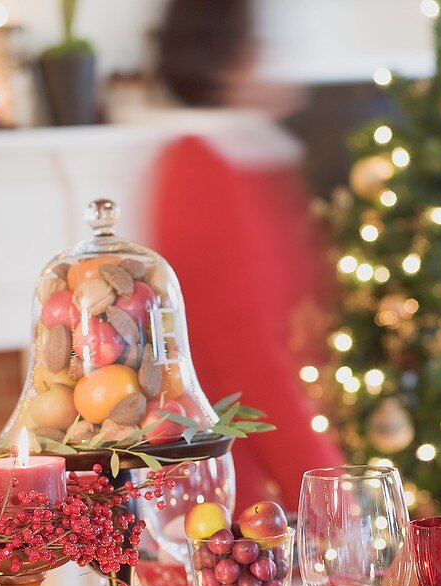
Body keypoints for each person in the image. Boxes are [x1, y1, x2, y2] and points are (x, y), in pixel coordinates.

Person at [148, 0, 344, 511]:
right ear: (234, 60)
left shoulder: (246, 162)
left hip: (267, 474)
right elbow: (249, 367)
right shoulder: (203, 173)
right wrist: (333, 496)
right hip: (241, 491)